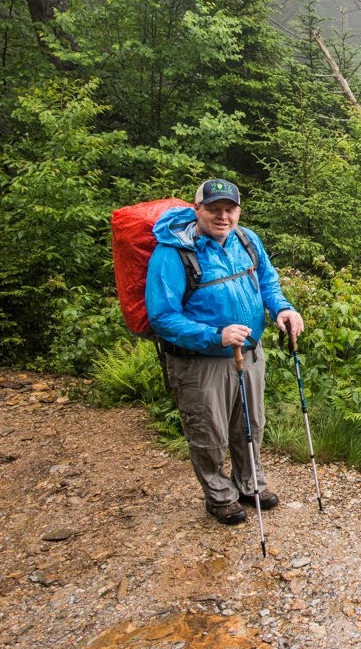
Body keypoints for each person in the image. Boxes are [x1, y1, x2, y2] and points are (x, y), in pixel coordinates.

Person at [145, 179, 304, 525]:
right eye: (214, 209)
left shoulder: (246, 240)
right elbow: (162, 316)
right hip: (200, 361)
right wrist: (215, 335)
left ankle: (249, 485)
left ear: (238, 211)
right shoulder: (172, 253)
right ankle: (219, 497)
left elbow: (267, 282)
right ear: (197, 209)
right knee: (209, 432)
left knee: (251, 424)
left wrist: (282, 309)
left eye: (229, 209)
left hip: (249, 352)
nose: (223, 216)